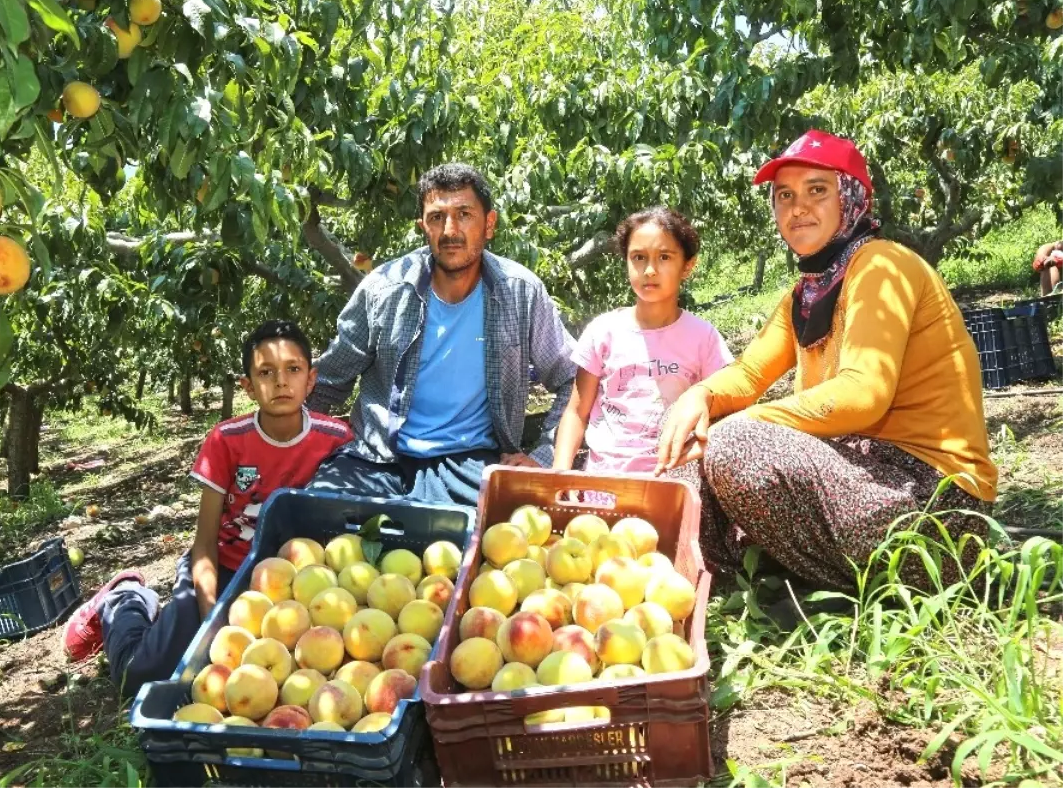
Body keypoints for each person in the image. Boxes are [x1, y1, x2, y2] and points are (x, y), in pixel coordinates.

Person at [655, 130, 997, 594]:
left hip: (936, 508)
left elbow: (863, 394)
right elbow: (750, 374)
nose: (798, 208)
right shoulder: (808, 293)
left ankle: (817, 580)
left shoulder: (881, 266)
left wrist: (733, 428)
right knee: (685, 431)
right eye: (784, 196)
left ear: (852, 198)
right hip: (863, 480)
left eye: (817, 190)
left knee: (735, 442)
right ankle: (718, 582)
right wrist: (699, 396)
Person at [60, 320, 351, 697]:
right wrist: (211, 614)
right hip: (227, 567)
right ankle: (124, 598)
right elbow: (205, 542)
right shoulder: (227, 441)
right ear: (247, 386)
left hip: (294, 582)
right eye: (266, 372)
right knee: (140, 675)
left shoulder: (335, 439)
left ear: (311, 379)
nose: (281, 381)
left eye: (293, 369)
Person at [306, 163, 577, 505]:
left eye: (464, 214)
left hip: (471, 461)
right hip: (379, 459)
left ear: (489, 225)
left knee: (502, 538)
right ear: (424, 227)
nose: (450, 230)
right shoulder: (385, 289)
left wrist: (544, 456)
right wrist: (290, 445)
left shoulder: (519, 292)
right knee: (315, 515)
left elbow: (574, 378)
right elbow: (329, 380)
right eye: (437, 217)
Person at [553, 207, 732, 474]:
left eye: (664, 257)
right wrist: (559, 472)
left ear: (687, 266)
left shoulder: (704, 338)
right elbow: (576, 413)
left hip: (675, 480)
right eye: (638, 257)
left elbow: (724, 413)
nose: (649, 270)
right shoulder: (602, 331)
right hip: (604, 480)